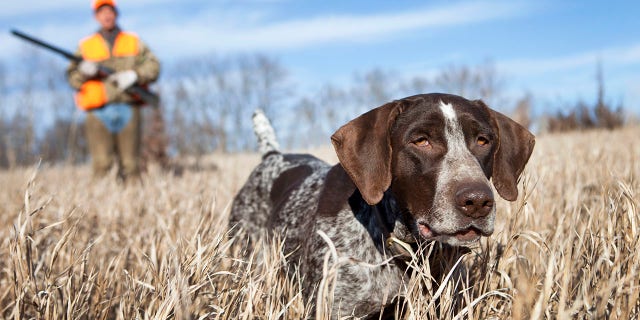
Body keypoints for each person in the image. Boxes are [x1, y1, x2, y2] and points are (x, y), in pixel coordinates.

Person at [66, 0, 160, 181]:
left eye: (110, 11)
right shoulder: (86, 45)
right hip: (98, 110)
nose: (107, 15)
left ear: (116, 14)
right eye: (102, 12)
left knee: (132, 166)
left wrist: (135, 75)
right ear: (96, 17)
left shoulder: (133, 41)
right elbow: (72, 78)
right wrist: (83, 73)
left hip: (129, 105)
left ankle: (134, 203)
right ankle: (97, 207)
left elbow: (154, 67)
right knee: (101, 165)